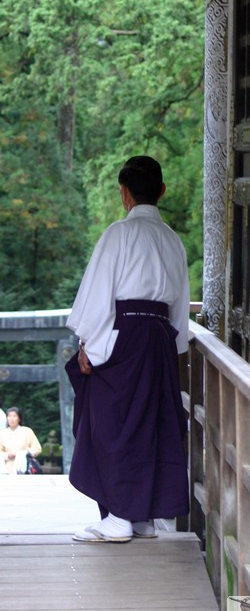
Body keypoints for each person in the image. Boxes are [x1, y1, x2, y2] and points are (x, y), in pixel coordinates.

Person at [65, 155, 190, 543]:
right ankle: (142, 518)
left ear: (124, 194)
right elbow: (180, 305)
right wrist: (177, 346)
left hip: (123, 336)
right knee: (149, 423)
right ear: (162, 192)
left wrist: (89, 345)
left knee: (112, 423)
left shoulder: (118, 234)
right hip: (159, 339)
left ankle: (119, 515)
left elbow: (98, 294)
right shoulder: (173, 240)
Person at [0, 406, 42, 474]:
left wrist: (23, 454)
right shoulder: (2, 434)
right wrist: (7, 455)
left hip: (25, 467)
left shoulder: (27, 431)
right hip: (7, 468)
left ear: (19, 419)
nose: (11, 419)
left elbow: (37, 448)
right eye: (9, 416)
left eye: (14, 416)